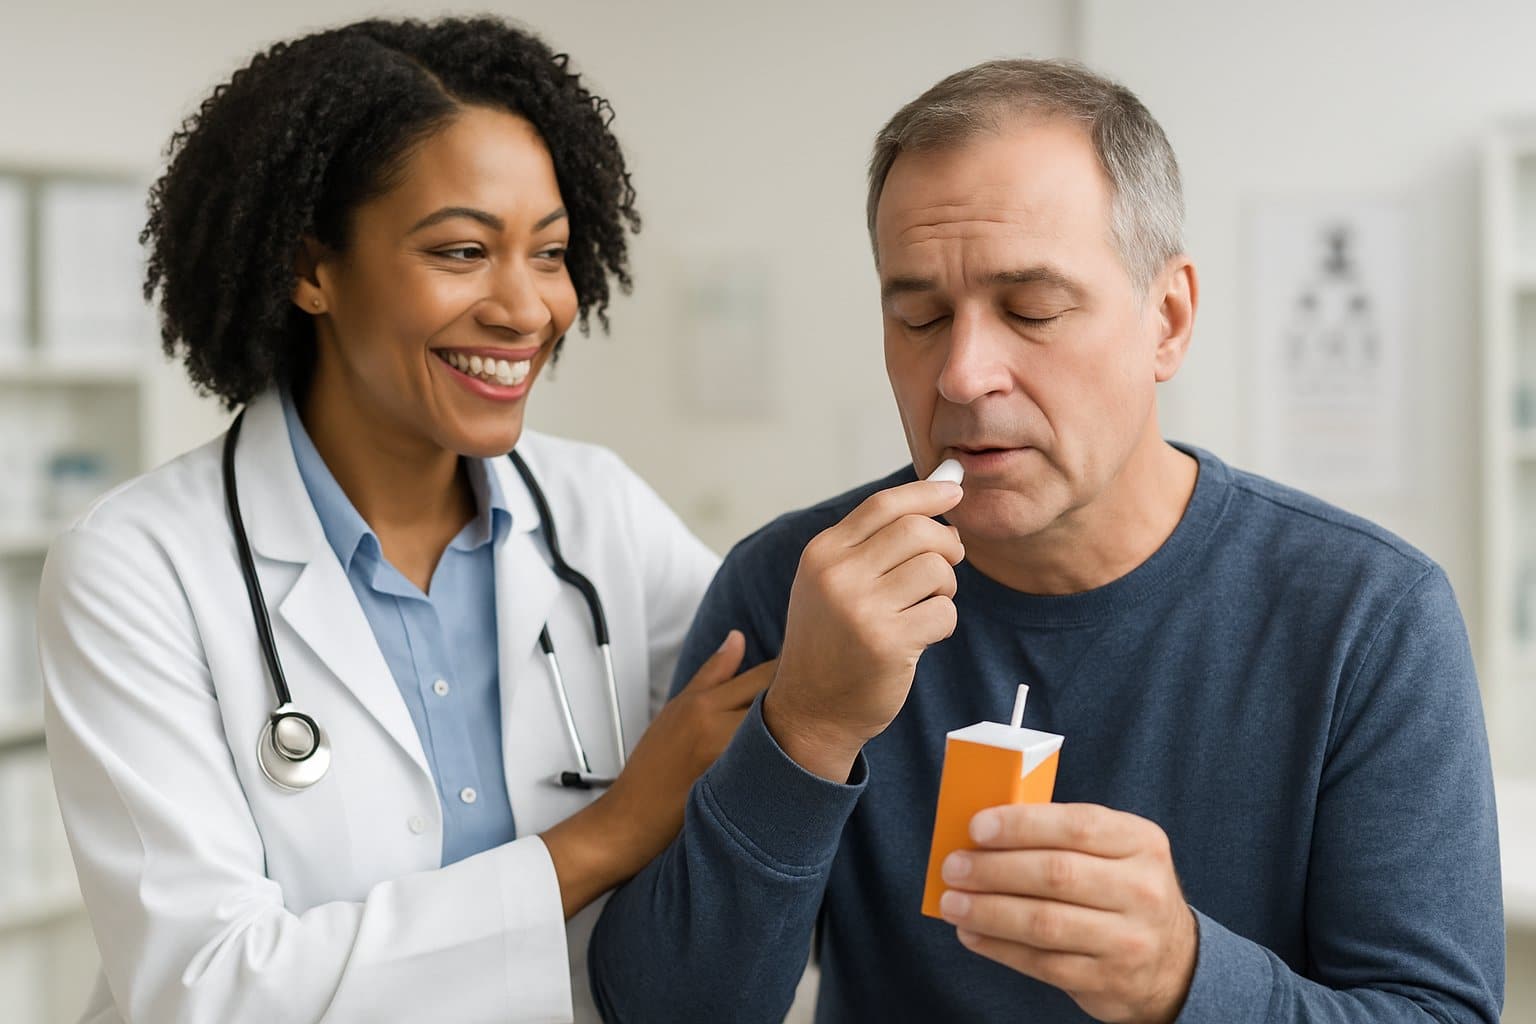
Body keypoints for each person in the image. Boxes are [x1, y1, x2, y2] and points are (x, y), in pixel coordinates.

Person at [589, 58, 1504, 1022]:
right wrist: (807, 727)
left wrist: (1184, 979)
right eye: (920, 316)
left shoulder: (1368, 616)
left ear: (1169, 319)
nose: (963, 374)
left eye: (1032, 310)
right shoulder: (796, 586)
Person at [36, 17, 771, 1024]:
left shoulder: (598, 514)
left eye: (550, 253)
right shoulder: (138, 567)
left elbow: (783, 702)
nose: (526, 308)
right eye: (463, 250)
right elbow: (206, 989)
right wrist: (610, 832)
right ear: (312, 269)